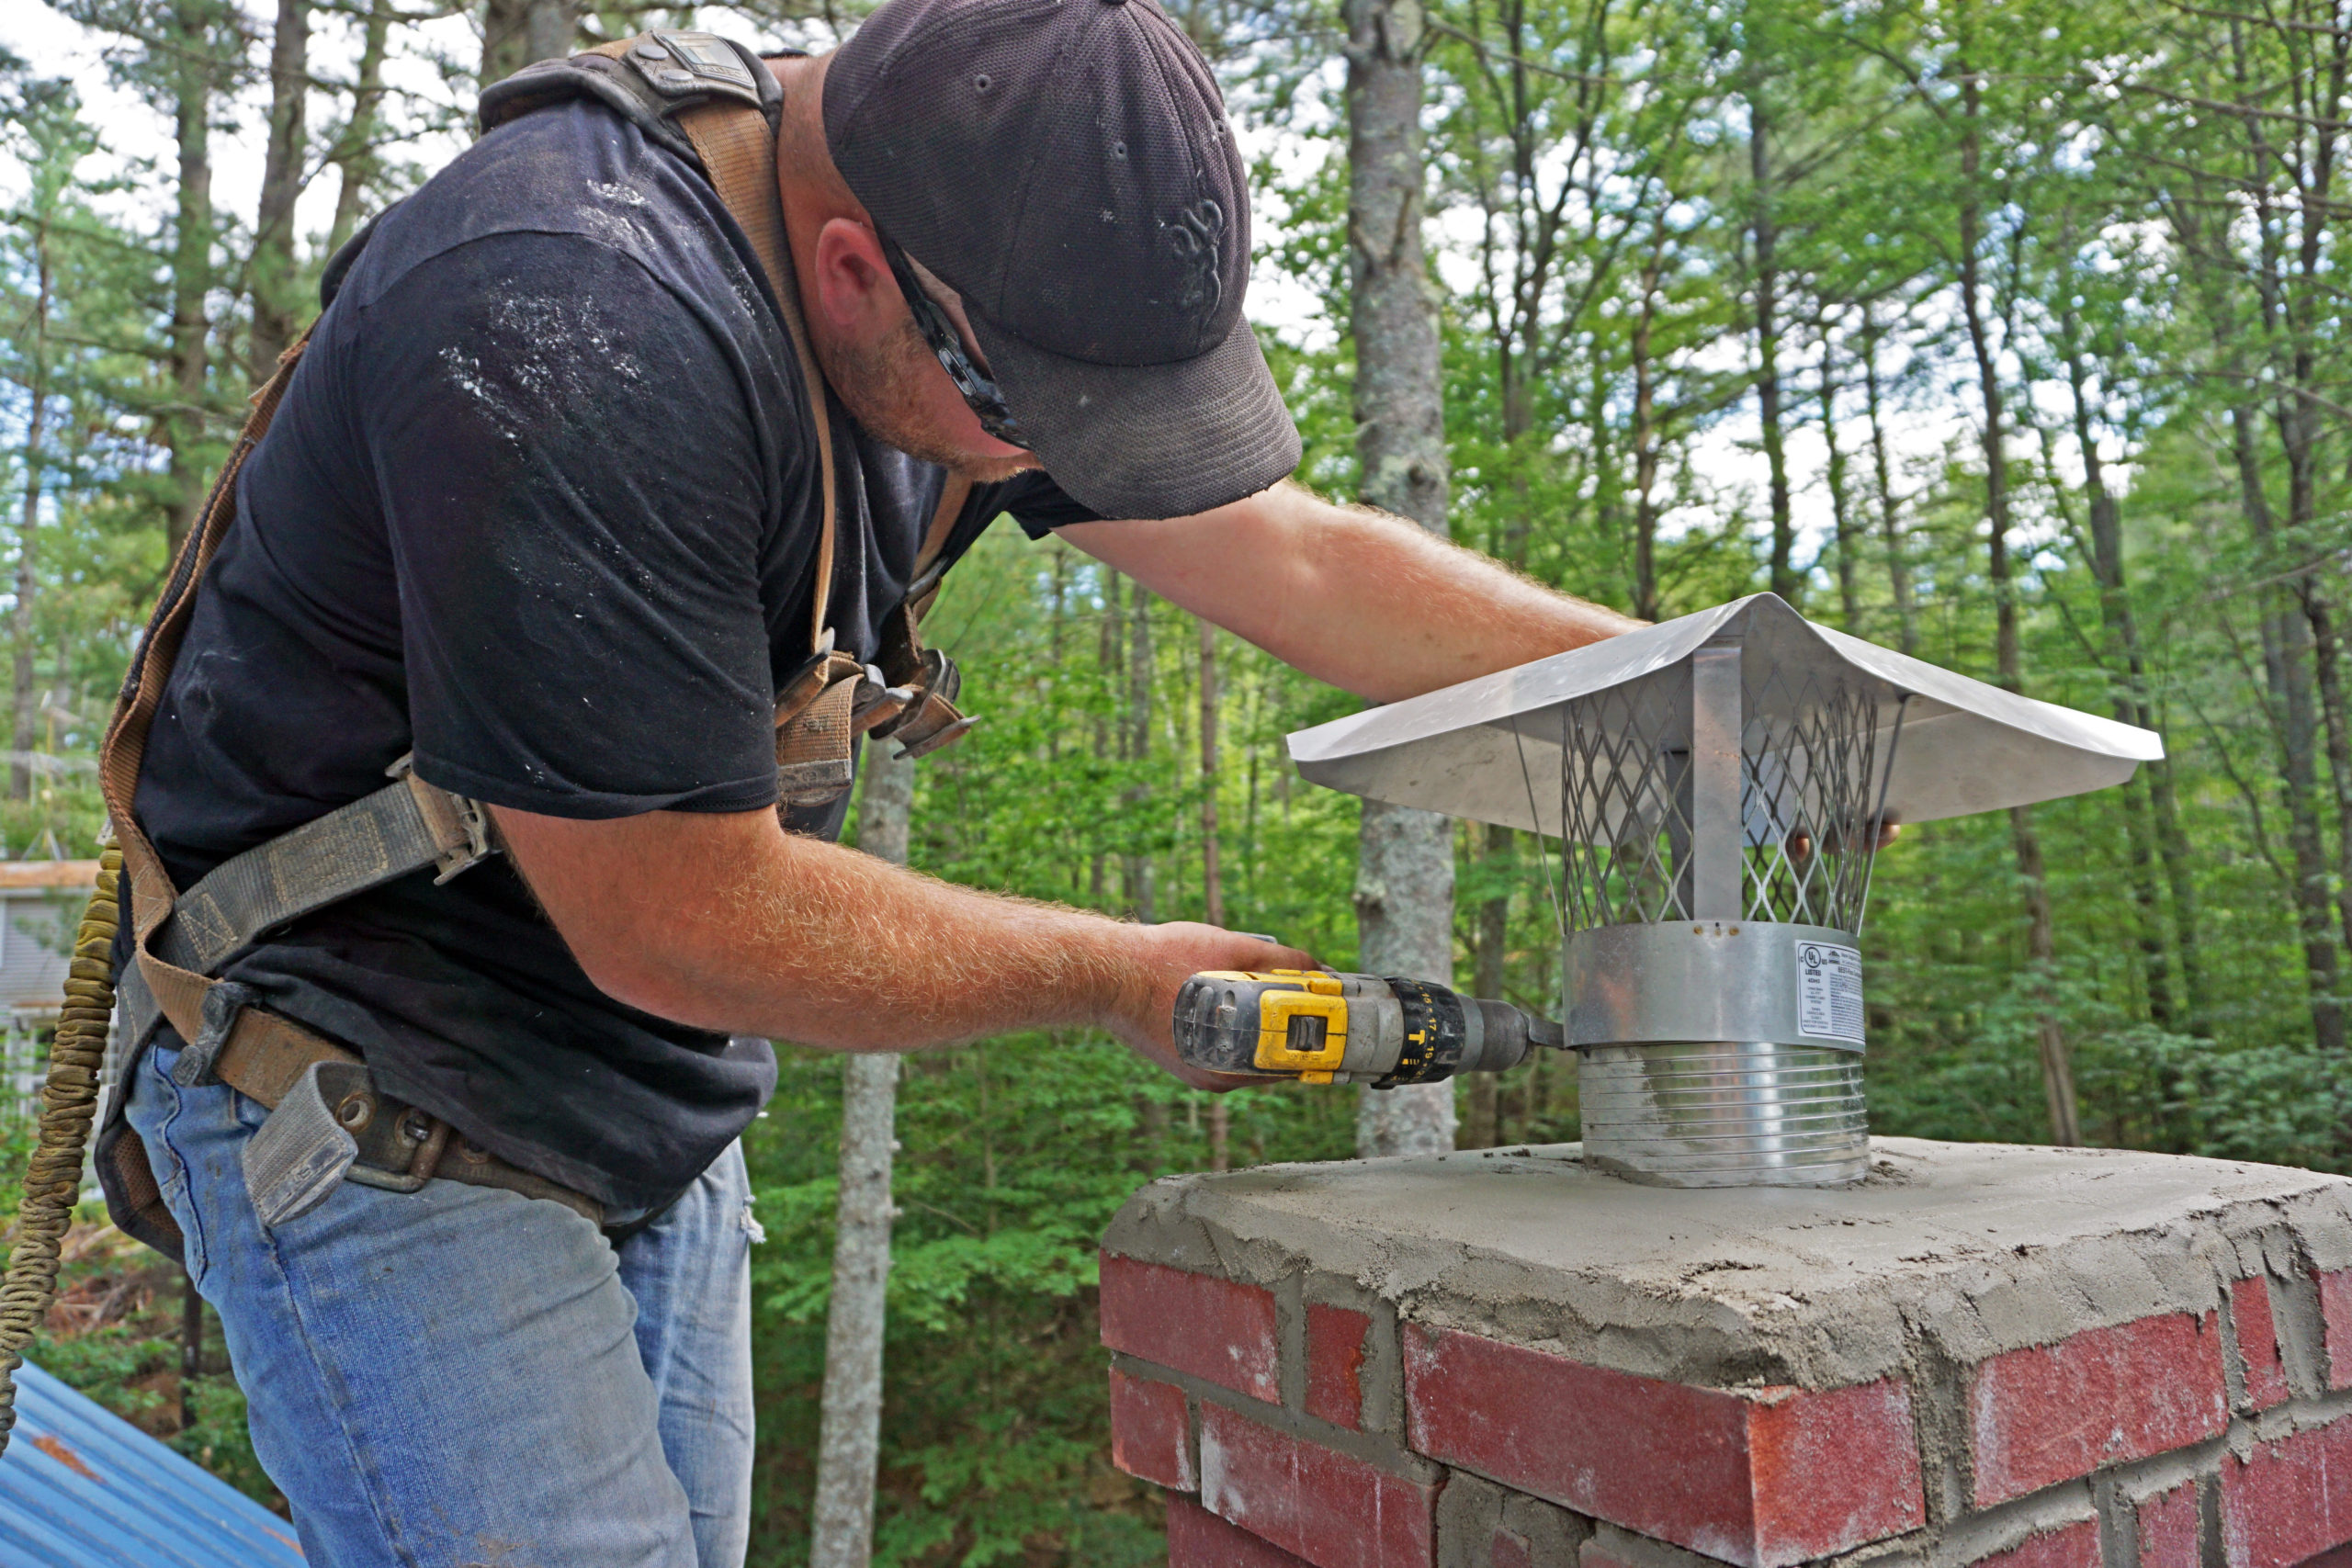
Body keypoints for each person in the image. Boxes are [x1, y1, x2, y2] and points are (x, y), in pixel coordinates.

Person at [112, 0, 1635, 1562]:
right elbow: (679, 913)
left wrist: (1675, 690)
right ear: (854, 275)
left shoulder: (967, 255)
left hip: (639, 1087)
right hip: (375, 1069)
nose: (1038, 459)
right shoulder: (572, 314)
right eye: (1030, 418)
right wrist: (1118, 974)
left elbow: (1294, 559)